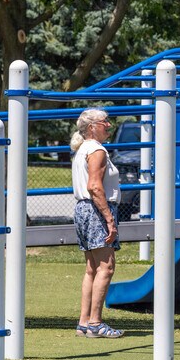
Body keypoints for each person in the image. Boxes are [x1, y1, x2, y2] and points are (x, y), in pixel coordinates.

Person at [70, 108, 124, 338]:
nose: (109, 125)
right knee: (106, 267)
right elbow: (95, 186)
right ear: (92, 126)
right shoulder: (96, 150)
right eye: (105, 122)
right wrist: (109, 220)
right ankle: (95, 322)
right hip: (95, 210)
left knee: (92, 268)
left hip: (83, 209)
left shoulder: (83, 148)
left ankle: (85, 322)